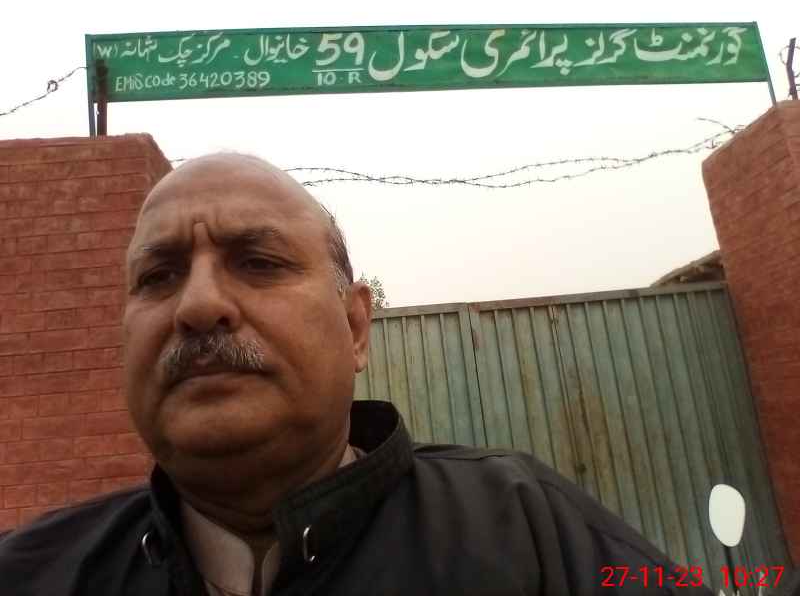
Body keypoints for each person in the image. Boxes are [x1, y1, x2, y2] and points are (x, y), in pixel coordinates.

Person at [0, 153, 712, 595]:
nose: (198, 306)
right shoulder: (33, 572)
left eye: (259, 262)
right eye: (159, 276)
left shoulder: (532, 533)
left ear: (355, 327)